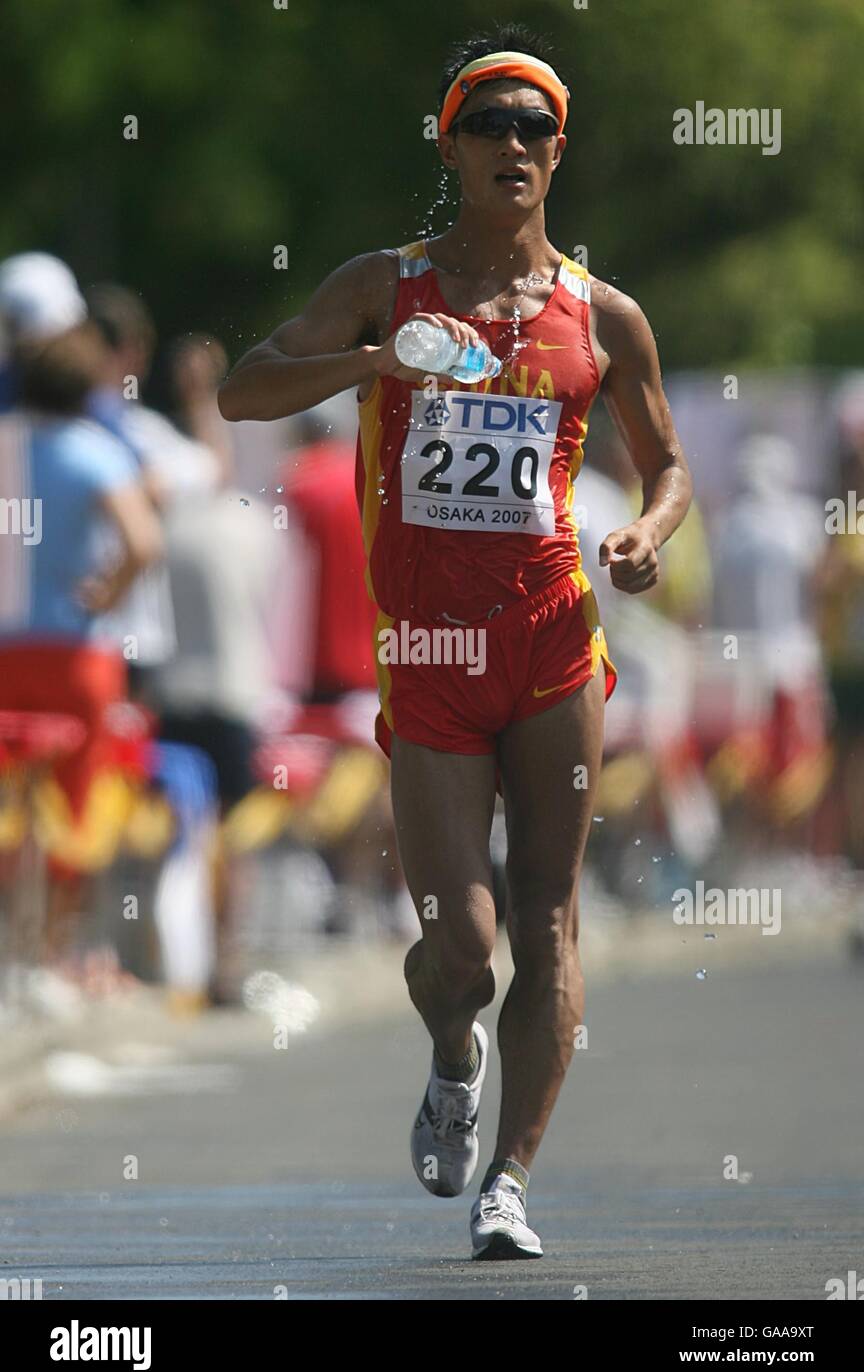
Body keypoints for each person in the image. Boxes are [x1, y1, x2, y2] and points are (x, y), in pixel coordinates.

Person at [218, 22, 692, 1260]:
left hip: (553, 645)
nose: (514, 146)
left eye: (536, 127)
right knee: (464, 949)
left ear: (560, 152)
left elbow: (672, 467)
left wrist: (648, 533)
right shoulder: (391, 281)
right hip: (427, 654)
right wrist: (374, 362)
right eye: (489, 123)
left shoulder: (605, 315)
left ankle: (510, 1183)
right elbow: (242, 388)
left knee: (548, 922)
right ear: (453, 143)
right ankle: (450, 1050)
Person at [0, 259, 163, 972]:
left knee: (13, 801)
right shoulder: (99, 451)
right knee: (78, 805)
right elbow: (143, 542)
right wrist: (109, 590)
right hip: (81, 657)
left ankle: (15, 949)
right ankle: (58, 954)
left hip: (8, 651)